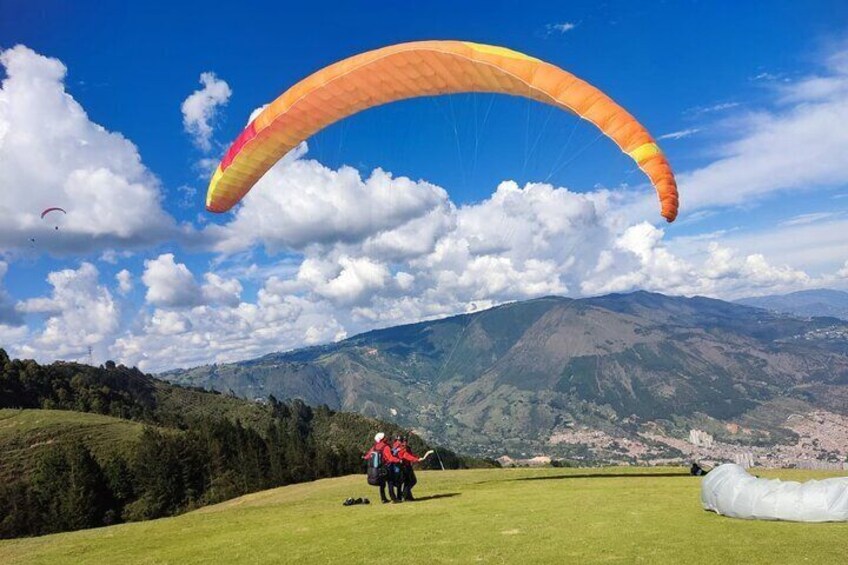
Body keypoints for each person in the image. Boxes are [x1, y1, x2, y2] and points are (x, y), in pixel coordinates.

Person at [363, 432, 403, 503]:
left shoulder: (374, 446)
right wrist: (398, 460)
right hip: (386, 468)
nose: (386, 438)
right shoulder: (385, 447)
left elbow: (369, 455)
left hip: (379, 469)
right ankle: (394, 498)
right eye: (385, 437)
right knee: (390, 482)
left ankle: (383, 499)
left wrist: (364, 457)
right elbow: (390, 458)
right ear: (382, 439)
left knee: (382, 484)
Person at [394, 436, 433, 501]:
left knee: (407, 482)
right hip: (405, 467)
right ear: (402, 441)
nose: (406, 442)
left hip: (403, 467)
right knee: (411, 481)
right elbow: (407, 456)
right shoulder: (402, 448)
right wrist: (416, 459)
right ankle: (405, 495)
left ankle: (405, 496)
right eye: (405, 441)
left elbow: (411, 455)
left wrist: (417, 458)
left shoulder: (398, 447)